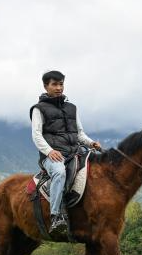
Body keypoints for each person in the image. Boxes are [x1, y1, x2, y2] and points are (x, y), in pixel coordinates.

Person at [30, 71, 102, 237]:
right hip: (53, 156)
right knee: (59, 172)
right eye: (54, 84)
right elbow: (36, 135)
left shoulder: (72, 108)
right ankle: (56, 216)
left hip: (74, 152)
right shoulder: (38, 109)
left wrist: (91, 143)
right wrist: (49, 151)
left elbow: (79, 134)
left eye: (61, 84)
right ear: (45, 86)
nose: (59, 88)